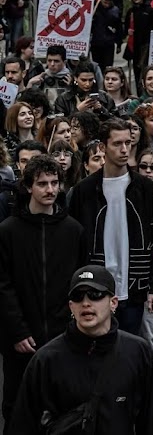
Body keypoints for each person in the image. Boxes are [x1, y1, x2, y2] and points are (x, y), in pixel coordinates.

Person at [9, 265, 153, 434]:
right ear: (71, 306)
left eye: (95, 295)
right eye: (78, 297)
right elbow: (22, 424)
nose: (86, 303)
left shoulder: (138, 353)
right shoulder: (46, 360)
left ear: (113, 302)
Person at [0, 155, 86, 431]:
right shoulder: (8, 231)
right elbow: (3, 285)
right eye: (42, 184)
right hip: (21, 339)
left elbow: (80, 281)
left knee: (64, 407)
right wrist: (17, 331)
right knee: (18, 405)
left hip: (63, 335)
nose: (50, 190)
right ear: (28, 187)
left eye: (54, 183)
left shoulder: (73, 230)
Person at [67, 118, 153, 336]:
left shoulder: (144, 188)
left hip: (134, 289)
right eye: (117, 143)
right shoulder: (84, 191)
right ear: (103, 147)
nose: (124, 149)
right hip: (94, 289)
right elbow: (74, 243)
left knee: (129, 350)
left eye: (128, 143)